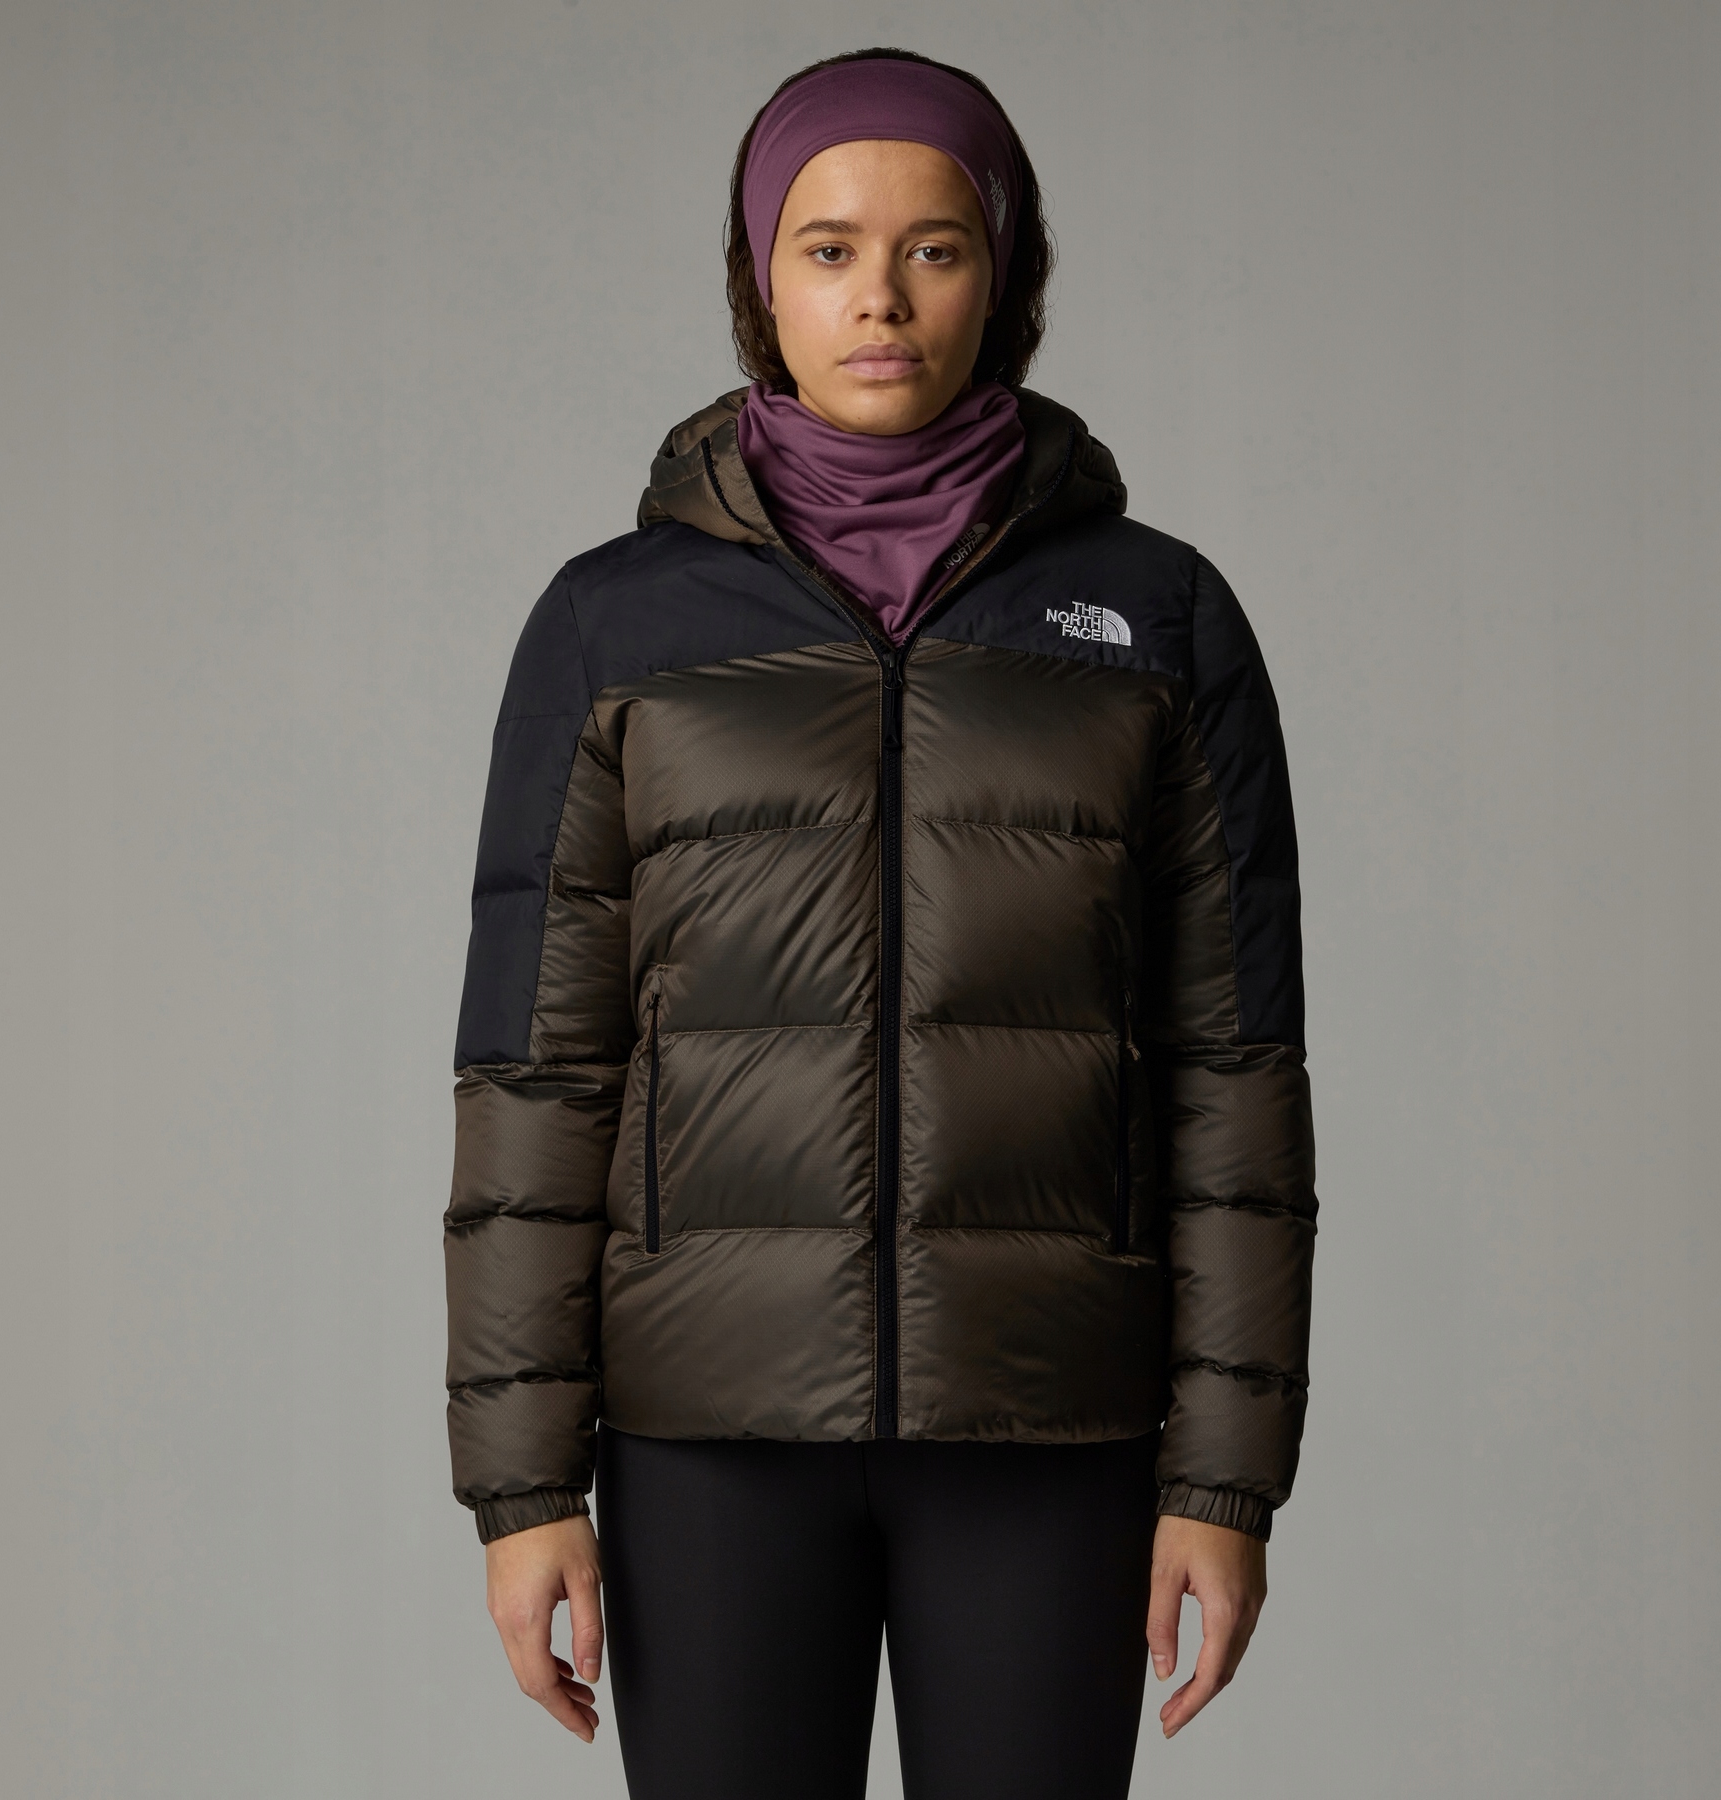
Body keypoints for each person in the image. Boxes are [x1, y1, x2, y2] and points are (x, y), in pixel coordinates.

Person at [443, 46, 1316, 1800]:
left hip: (1049, 1422)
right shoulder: (614, 629)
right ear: (761, 280)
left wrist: (1224, 1483)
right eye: (829, 248)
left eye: (936, 247)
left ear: (1007, 275)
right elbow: (538, 1075)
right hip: (706, 1430)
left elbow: (1234, 1075)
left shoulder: (1158, 619)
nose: (883, 301)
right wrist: (524, 1489)